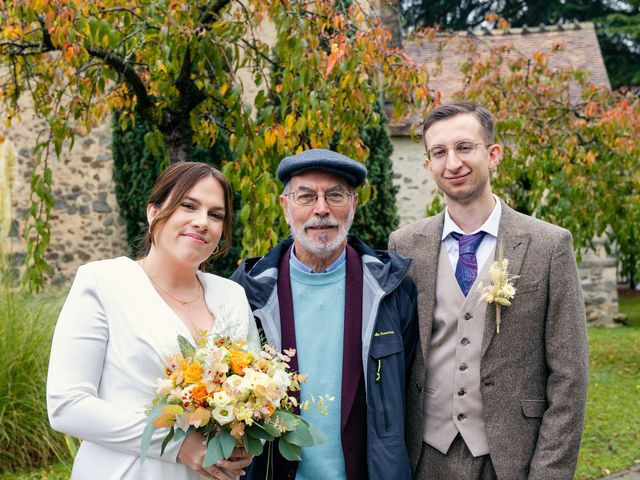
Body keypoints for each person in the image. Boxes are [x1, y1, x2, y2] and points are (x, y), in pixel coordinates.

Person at [388, 102, 589, 479]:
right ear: (428, 166)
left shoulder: (549, 246)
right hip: (424, 457)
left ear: (493, 155)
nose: (453, 163)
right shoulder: (404, 245)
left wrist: (548, 472)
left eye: (465, 147)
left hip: (513, 457)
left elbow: (570, 377)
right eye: (439, 153)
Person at [47, 162, 260, 480]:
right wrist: (177, 445)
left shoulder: (231, 296)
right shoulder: (104, 281)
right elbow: (67, 405)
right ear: (153, 212)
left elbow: (253, 396)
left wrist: (243, 440)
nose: (202, 222)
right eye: (188, 205)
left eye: (216, 215)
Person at [231, 149, 418, 480]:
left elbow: (409, 394)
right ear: (285, 206)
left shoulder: (392, 291)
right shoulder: (245, 293)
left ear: (354, 204)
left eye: (335, 195)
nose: (322, 209)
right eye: (306, 196)